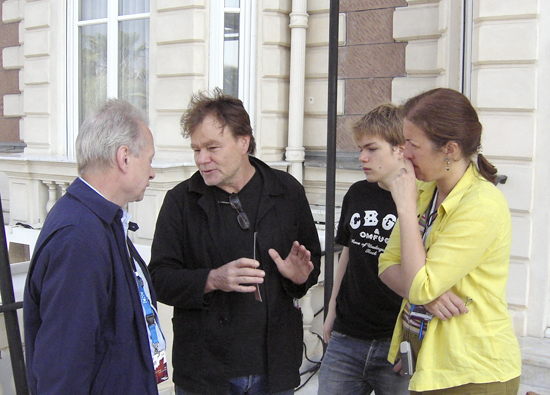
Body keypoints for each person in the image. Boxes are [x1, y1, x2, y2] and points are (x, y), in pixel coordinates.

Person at [148, 88, 322, 395]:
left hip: (274, 367)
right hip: (205, 371)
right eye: (196, 150)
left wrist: (299, 278)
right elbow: (159, 280)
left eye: (212, 147)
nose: (202, 159)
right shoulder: (180, 201)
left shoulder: (286, 191)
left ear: (243, 142)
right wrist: (211, 279)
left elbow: (312, 266)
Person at [378, 88, 522, 394]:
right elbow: (387, 264)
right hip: (429, 360)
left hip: (473, 371)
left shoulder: (482, 204)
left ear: (450, 150)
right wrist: (427, 297)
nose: (403, 152)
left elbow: (420, 284)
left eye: (413, 144)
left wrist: (404, 207)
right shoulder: (427, 191)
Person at [24, 100, 165, 395]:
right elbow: (63, 371)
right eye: (149, 160)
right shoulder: (78, 239)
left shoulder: (101, 221)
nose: (152, 173)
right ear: (124, 157)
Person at [317, 103, 410, 395]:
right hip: (347, 337)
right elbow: (348, 251)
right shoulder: (358, 193)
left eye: (371, 149)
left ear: (399, 149)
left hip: (395, 341)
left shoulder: (421, 199)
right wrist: (331, 307)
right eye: (360, 149)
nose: (362, 157)